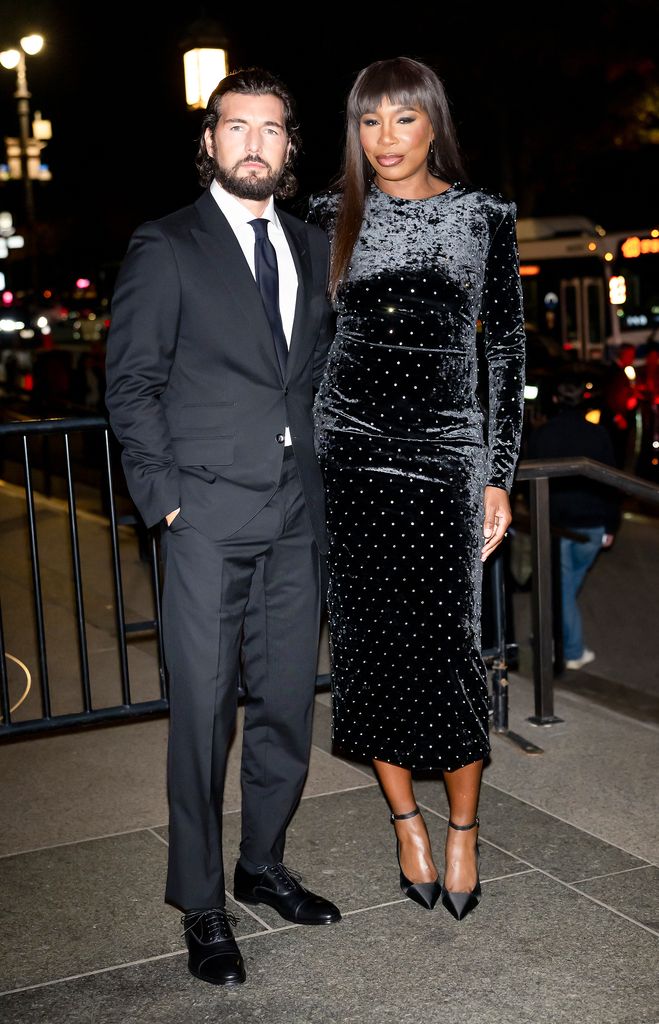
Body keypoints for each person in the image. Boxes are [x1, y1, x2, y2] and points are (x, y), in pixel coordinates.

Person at [105, 67, 340, 988]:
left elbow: (319, 376)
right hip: (204, 514)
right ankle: (201, 903)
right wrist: (164, 500)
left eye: (270, 128)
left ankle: (262, 864)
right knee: (202, 720)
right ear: (208, 142)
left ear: (288, 148)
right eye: (234, 126)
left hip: (296, 514)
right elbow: (131, 383)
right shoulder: (165, 245)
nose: (252, 141)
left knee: (285, 705)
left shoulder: (315, 245)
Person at [308, 57, 525, 921]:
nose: (385, 139)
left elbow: (504, 353)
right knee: (365, 651)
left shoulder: (483, 216)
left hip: (442, 460)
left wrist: (497, 474)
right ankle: (406, 821)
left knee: (446, 651)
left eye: (402, 120)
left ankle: (465, 828)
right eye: (369, 122)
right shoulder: (327, 215)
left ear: (433, 124)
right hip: (348, 458)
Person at [527, 380, 620, 670]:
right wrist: (611, 526)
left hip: (557, 525)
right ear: (584, 401)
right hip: (593, 524)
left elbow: (528, 481)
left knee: (562, 589)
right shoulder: (598, 435)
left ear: (555, 398)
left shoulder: (543, 436)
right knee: (566, 588)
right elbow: (612, 484)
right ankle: (557, 637)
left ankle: (570, 648)